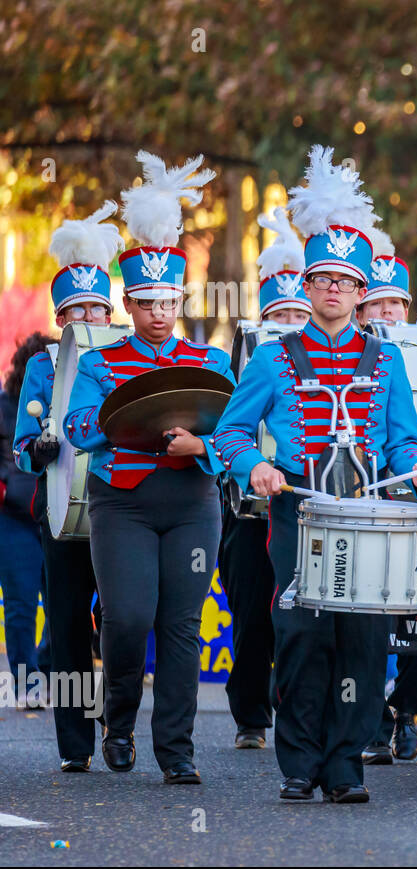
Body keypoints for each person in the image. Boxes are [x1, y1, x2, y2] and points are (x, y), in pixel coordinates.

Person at [210, 145, 417, 804]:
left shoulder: (387, 360)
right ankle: (299, 761)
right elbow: (226, 432)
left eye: (346, 281)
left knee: (364, 640)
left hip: (367, 509)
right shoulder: (273, 356)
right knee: (304, 632)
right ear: (306, 286)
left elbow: (400, 442)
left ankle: (344, 767)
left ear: (362, 292)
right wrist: (254, 465)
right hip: (299, 506)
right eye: (322, 279)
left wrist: (416, 472)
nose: (334, 289)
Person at [64, 154, 231, 784]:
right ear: (128, 302)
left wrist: (206, 450)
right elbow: (78, 430)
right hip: (124, 499)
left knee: (181, 627)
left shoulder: (211, 360)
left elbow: (240, 433)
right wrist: (112, 424)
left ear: (180, 297)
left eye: (168, 299)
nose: (159, 312)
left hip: (192, 500)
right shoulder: (100, 361)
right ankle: (119, 720)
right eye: (146, 301)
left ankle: (177, 752)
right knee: (129, 617)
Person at [13, 203, 122, 767]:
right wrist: (40, 448)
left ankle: (118, 721)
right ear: (61, 317)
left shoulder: (126, 358)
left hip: (119, 505)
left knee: (124, 617)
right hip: (59, 514)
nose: (87, 316)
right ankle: (75, 745)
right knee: (67, 622)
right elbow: (22, 446)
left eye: (96, 308)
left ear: (109, 312)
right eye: (76, 308)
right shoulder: (43, 366)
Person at [219, 207, 311, 751]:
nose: (291, 326)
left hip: (311, 502)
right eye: (281, 315)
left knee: (306, 617)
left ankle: (302, 713)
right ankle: (251, 713)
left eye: (297, 315)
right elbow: (226, 427)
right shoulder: (254, 354)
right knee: (255, 615)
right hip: (250, 512)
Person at [354, 228, 417, 764]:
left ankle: (406, 709)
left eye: (395, 303)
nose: (386, 312)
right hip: (362, 509)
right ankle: (371, 721)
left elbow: (409, 439)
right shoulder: (356, 358)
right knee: (367, 623)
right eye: (377, 303)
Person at [2, 334, 52, 709]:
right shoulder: (3, 406)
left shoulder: (65, 400)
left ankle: (48, 669)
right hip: (14, 516)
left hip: (57, 512)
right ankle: (26, 681)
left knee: (63, 601)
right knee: (20, 602)